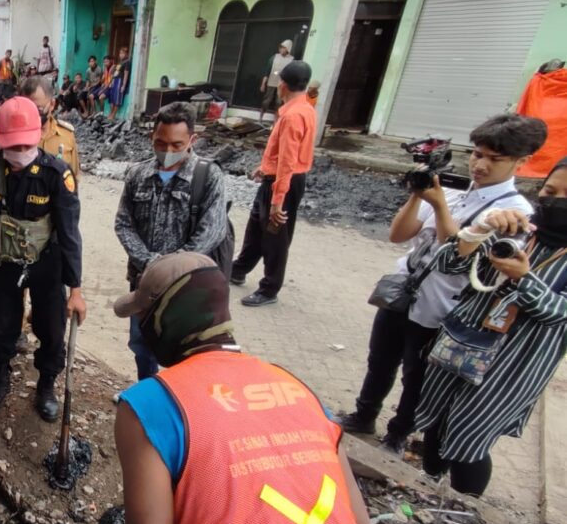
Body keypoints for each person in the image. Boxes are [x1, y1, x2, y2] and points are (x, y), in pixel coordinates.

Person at [72, 251, 393, 524]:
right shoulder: (295, 386)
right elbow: (357, 523)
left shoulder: (153, 403)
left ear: (162, 320)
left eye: (143, 315)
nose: (140, 327)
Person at [340, 114, 546, 455]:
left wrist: (437, 207)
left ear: (521, 162)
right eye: (478, 154)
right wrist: (418, 195)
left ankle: (398, 434)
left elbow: (457, 254)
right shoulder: (451, 189)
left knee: (415, 375)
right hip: (404, 292)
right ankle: (364, 415)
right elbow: (397, 235)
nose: (480, 165)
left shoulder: (514, 212)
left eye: (495, 159)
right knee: (380, 360)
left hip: (443, 307)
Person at [411, 155, 567, 497]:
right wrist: (479, 230)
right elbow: (447, 262)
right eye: (549, 191)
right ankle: (425, 488)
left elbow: (559, 312)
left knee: (470, 437)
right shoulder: (519, 229)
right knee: (436, 421)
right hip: (462, 341)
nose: (554, 202)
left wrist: (523, 279)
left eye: (565, 197)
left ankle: (466, 507)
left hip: (513, 364)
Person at [0, 97, 85, 421]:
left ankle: (47, 384)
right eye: (12, 145)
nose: (19, 152)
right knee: (1, 323)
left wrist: (76, 290)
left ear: (38, 136)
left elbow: (69, 234)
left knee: (51, 327)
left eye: (26, 145)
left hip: (46, 261)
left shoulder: (57, 174)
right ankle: (0, 378)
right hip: (5, 261)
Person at [115, 102, 229, 380]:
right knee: (142, 345)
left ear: (192, 139)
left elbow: (212, 231)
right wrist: (150, 264)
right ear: (152, 137)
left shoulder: (208, 176)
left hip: (190, 289)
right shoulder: (138, 175)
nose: (167, 151)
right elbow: (123, 224)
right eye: (160, 143)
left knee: (187, 354)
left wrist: (172, 270)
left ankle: (182, 406)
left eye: (176, 145)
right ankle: (150, 393)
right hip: (144, 284)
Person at [231, 60, 316, 307]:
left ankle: (269, 288)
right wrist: (265, 167)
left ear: (282, 85)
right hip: (276, 177)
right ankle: (238, 269)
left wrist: (278, 200)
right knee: (256, 227)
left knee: (275, 237)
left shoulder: (293, 116)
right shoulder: (304, 109)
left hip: (285, 182)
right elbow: (284, 153)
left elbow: (289, 161)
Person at [20, 75, 81, 181]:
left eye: (38, 109)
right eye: (27, 108)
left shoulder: (67, 135)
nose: (33, 114)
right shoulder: (14, 138)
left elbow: (73, 177)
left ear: (52, 104)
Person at [259, 40, 295, 124]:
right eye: (281, 48)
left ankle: (276, 120)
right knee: (267, 100)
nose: (281, 50)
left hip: (282, 84)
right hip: (271, 82)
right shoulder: (274, 57)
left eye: (284, 48)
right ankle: (260, 117)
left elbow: (291, 73)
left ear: (288, 49)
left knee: (279, 102)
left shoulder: (291, 60)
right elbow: (267, 72)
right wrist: (263, 84)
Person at [107, 47, 132, 120]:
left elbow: (126, 74)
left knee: (117, 99)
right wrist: (111, 81)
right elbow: (113, 73)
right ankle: (111, 113)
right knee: (112, 99)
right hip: (115, 81)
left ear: (126, 54)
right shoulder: (120, 63)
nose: (120, 55)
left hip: (120, 82)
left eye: (122, 53)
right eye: (120, 53)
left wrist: (123, 85)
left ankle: (113, 115)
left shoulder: (127, 62)